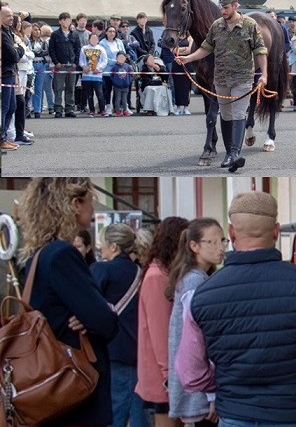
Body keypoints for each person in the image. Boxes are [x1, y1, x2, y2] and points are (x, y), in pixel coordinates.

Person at [176, 192, 296, 427]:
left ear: (232, 232)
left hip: (235, 415)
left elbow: (190, 374)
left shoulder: (201, 295)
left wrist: (226, 381)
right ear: (277, 231)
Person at [17, 177, 119, 426]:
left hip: (49, 385)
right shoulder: (63, 254)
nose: (93, 210)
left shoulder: (38, 254)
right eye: (90, 202)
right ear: (75, 204)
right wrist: (95, 314)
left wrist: (87, 316)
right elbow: (105, 323)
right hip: (72, 389)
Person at [176, 0, 268, 171]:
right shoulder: (217, 26)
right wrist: (189, 58)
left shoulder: (250, 25)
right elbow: (206, 48)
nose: (223, 11)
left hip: (242, 78)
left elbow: (260, 50)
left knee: (238, 113)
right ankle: (228, 154)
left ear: (235, 6)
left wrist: (264, 74)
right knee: (225, 115)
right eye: (221, 8)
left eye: (226, 8)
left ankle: (235, 153)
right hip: (221, 79)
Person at [167, 218, 225, 426]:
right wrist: (211, 395)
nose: (220, 248)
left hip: (196, 386)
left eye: (223, 241)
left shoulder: (198, 277)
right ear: (194, 246)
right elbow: (198, 338)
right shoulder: (195, 281)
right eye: (213, 242)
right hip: (200, 391)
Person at [91, 223, 150, 427]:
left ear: (114, 246)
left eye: (103, 244)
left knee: (116, 410)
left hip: (114, 348)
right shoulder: (140, 271)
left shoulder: (102, 270)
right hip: (137, 348)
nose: (101, 249)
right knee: (139, 411)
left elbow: (90, 303)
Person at [135, 216, 190, 427]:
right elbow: (160, 332)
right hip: (163, 377)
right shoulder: (157, 276)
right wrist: (169, 376)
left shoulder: (162, 272)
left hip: (166, 374)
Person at [2, 4, 24, 151]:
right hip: (4, 74)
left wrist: (18, 48)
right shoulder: (3, 34)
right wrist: (20, 48)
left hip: (11, 73)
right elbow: (14, 56)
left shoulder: (8, 31)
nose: (12, 18)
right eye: (8, 16)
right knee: (4, 108)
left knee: (12, 107)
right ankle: (2, 138)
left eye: (12, 15)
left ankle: (3, 137)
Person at [79, 32, 109, 117]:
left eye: (96, 39)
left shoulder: (101, 49)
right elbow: (81, 60)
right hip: (87, 75)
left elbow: (104, 61)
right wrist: (84, 67)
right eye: (92, 39)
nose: (94, 40)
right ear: (88, 40)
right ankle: (91, 110)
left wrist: (98, 68)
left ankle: (102, 110)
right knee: (89, 94)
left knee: (100, 93)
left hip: (97, 75)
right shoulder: (84, 48)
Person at [109, 51, 135, 116]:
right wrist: (115, 82)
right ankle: (117, 110)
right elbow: (111, 75)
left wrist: (129, 82)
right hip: (117, 86)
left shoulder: (128, 66)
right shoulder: (115, 67)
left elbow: (131, 75)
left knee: (124, 100)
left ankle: (125, 110)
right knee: (117, 99)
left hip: (126, 86)